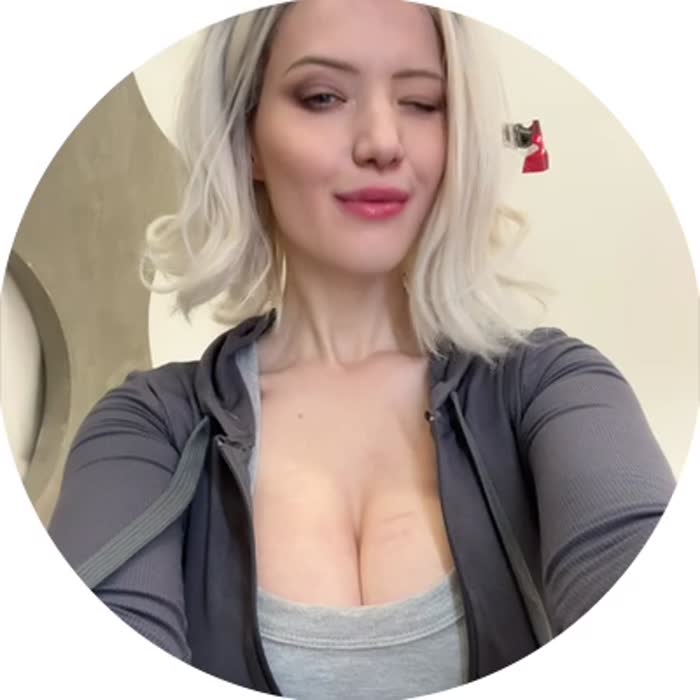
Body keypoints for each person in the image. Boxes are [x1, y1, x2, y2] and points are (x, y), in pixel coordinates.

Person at [47, 1, 677, 698]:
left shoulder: (554, 388)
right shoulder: (147, 430)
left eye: (422, 103)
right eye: (322, 97)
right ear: (247, 137)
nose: (382, 141)